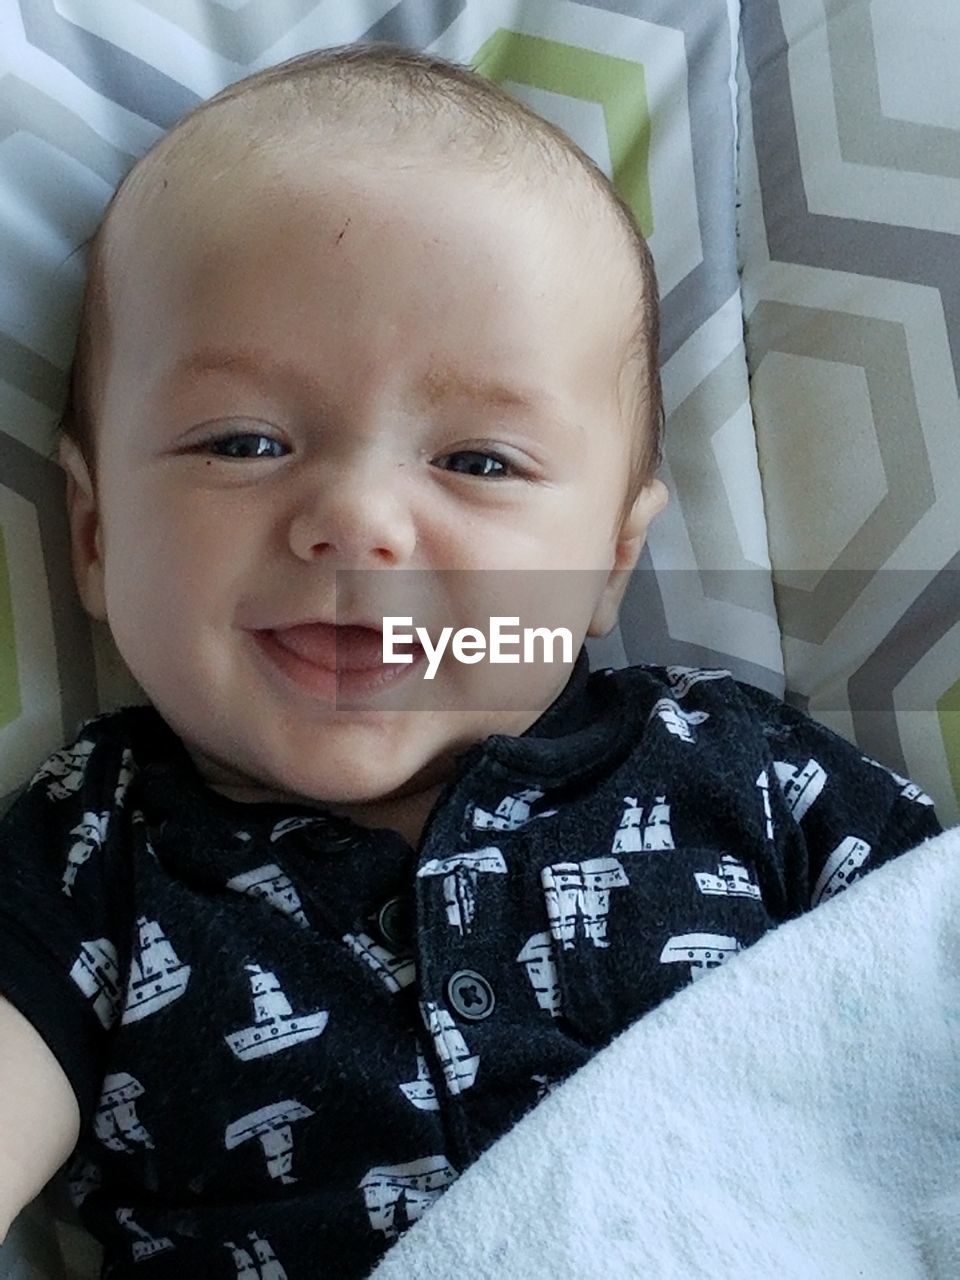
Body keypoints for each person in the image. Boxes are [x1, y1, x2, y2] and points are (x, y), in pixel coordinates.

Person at [0, 42, 942, 1279]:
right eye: (243, 441)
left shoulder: (740, 772)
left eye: (478, 462)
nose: (358, 519)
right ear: (95, 535)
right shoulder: (94, 856)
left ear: (609, 560)